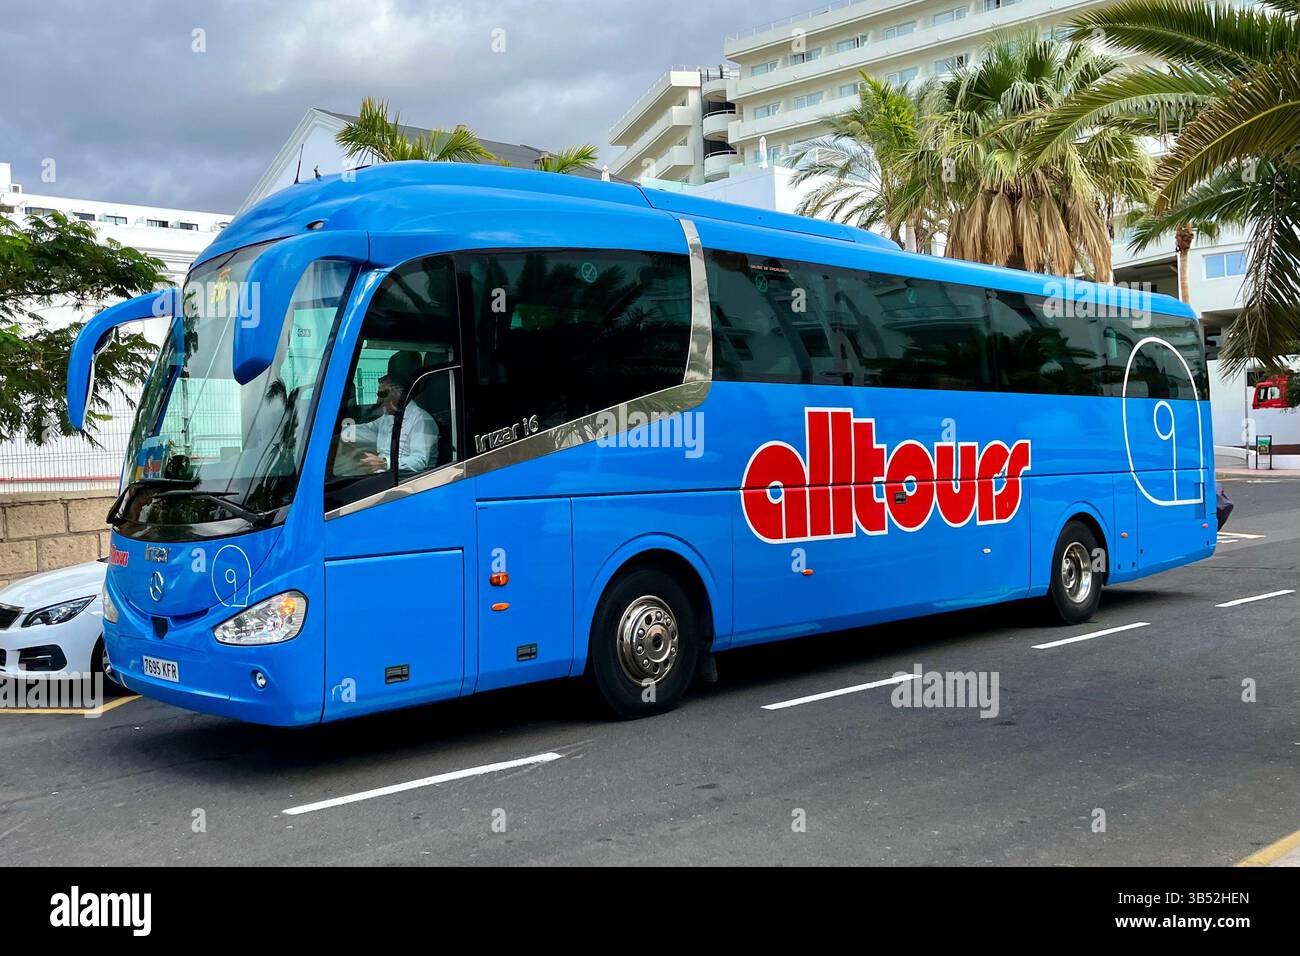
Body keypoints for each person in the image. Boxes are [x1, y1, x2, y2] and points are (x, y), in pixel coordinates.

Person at [348, 374, 438, 475]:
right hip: (385, 472)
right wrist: (340, 431)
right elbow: (368, 428)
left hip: (407, 477)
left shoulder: (421, 419)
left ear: (397, 396)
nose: (378, 400)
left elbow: (419, 461)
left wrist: (384, 463)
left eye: (382, 394)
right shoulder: (389, 416)